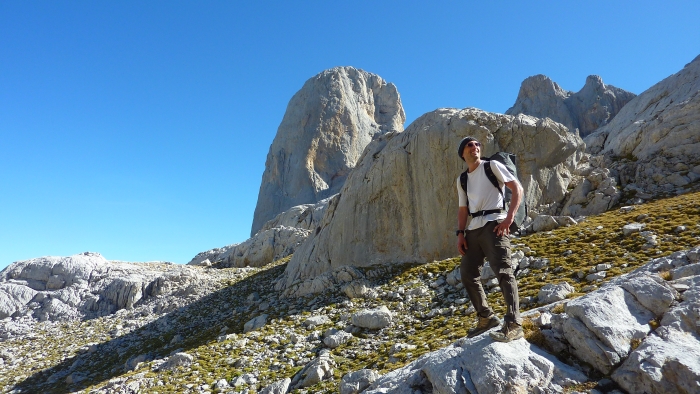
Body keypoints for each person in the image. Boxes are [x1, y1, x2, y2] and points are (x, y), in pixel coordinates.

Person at [456, 136, 524, 342]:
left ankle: (514, 323)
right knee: (467, 273)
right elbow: (463, 209)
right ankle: (486, 318)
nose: (475, 147)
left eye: (477, 145)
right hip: (473, 228)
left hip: (495, 222)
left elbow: (517, 188)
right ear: (462, 153)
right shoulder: (462, 180)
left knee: (503, 271)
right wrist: (460, 233)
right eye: (470, 145)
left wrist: (510, 218)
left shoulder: (492, 166)